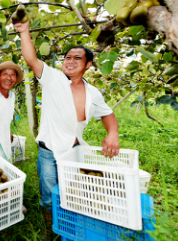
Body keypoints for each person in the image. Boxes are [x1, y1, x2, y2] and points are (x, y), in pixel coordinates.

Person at [14, 21, 120, 229]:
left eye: (77, 58)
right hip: (49, 152)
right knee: (49, 192)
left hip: (73, 151)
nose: (70, 61)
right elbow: (32, 59)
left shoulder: (93, 93)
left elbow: (108, 114)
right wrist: (25, 32)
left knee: (72, 191)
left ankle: (69, 224)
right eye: (68, 57)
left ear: (88, 64)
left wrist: (112, 133)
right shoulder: (53, 79)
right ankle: (50, 226)